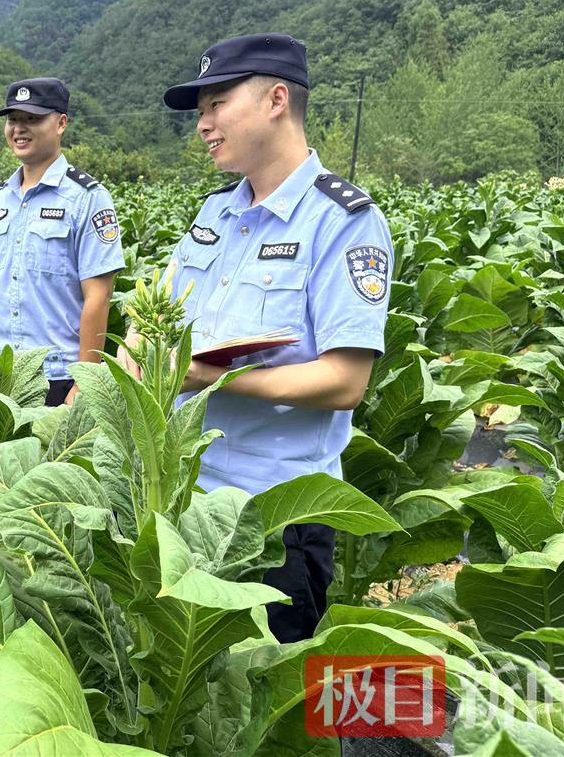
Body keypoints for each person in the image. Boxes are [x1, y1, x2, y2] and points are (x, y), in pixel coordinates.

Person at [134, 33, 392, 641]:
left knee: (259, 707)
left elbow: (345, 380)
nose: (204, 124)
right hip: (183, 502)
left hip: (273, 518)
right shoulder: (214, 215)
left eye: (217, 104)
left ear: (277, 99)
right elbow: (155, 323)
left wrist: (218, 378)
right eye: (200, 111)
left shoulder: (344, 221)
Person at [0, 77, 125, 406]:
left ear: (61, 123)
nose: (19, 129)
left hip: (56, 377)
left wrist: (85, 383)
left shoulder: (88, 198)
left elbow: (98, 296)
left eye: (33, 119)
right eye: (13, 119)